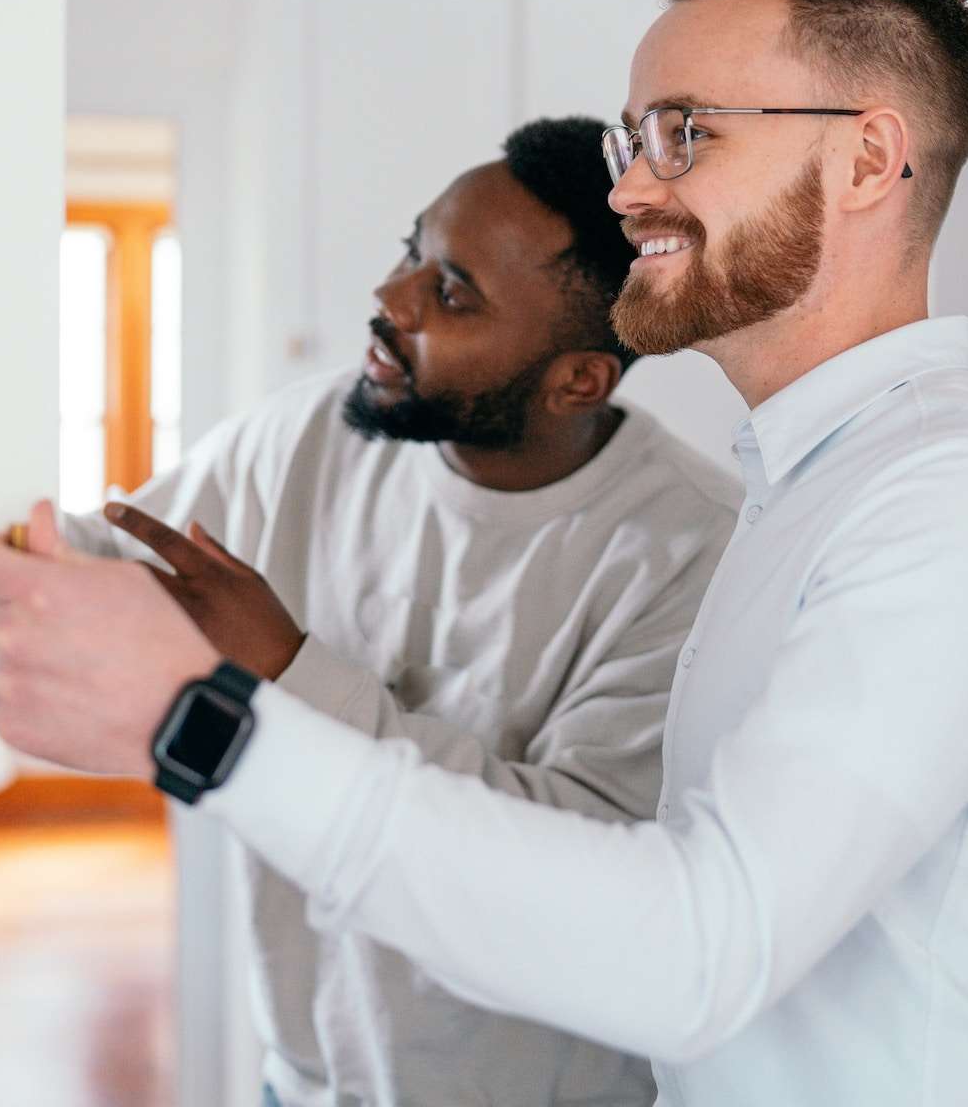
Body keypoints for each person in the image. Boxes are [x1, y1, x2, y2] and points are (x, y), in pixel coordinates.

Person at [0, 0, 968, 1105]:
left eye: (685, 135)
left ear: (868, 160)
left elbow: (699, 949)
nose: (631, 195)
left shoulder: (964, 499)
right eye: (636, 140)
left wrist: (209, 726)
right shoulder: (804, 487)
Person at [48, 116, 742, 1107]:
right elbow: (112, 564)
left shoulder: (690, 552)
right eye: (411, 253)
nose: (388, 300)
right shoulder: (308, 435)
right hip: (299, 1081)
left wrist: (287, 670)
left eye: (448, 293)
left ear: (577, 380)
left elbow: (584, 868)